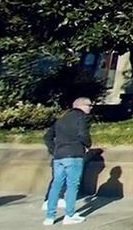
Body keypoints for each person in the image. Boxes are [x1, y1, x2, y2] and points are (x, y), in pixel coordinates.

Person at [43, 97, 93, 226]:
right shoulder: (81, 117)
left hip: (59, 156)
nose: (91, 107)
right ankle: (69, 215)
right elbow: (83, 134)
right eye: (89, 105)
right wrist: (87, 145)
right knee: (72, 185)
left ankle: (49, 216)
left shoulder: (61, 119)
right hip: (74, 154)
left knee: (56, 185)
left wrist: (54, 150)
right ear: (81, 105)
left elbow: (47, 137)